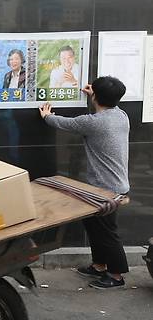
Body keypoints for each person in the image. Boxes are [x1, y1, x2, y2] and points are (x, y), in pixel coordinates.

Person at [39, 76, 129, 289]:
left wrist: (46, 116)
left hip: (106, 189)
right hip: (107, 185)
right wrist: (95, 95)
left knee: (106, 232)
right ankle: (99, 265)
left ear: (96, 96)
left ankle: (116, 276)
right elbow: (105, 107)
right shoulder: (121, 115)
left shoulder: (93, 123)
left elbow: (65, 123)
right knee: (93, 225)